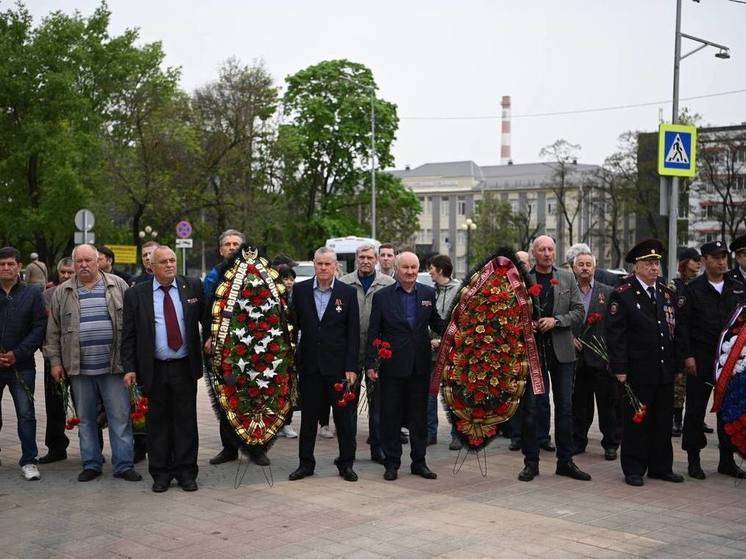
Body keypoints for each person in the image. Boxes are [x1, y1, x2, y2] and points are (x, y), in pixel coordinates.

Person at [45, 244, 141, 483]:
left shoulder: (117, 285)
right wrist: (55, 363)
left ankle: (124, 465)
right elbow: (53, 331)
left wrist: (132, 364)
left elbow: (132, 327)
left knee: (120, 417)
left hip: (114, 367)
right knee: (86, 419)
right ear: (74, 264)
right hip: (79, 368)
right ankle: (91, 464)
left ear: (99, 261)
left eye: (89, 260)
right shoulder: (62, 292)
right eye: (79, 262)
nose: (84, 265)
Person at [122, 246, 204, 493]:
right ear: (152, 267)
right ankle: (161, 473)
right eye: (163, 262)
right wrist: (129, 368)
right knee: (157, 423)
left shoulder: (193, 286)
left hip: (184, 366)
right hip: (153, 368)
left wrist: (210, 338)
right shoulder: (137, 294)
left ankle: (186, 472)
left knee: (186, 421)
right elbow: (128, 335)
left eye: (172, 260)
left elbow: (208, 320)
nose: (169, 265)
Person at [606, 239, 684, 487]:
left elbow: (673, 330)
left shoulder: (665, 292)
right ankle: (634, 467)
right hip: (637, 370)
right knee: (636, 421)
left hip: (663, 368)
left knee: (662, 420)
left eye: (656, 263)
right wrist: (620, 368)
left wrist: (677, 365)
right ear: (637, 266)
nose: (654, 268)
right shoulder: (623, 293)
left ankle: (661, 466)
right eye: (649, 263)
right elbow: (615, 336)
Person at [517, 236, 589, 482]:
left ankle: (566, 461)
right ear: (534, 253)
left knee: (565, 408)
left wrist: (556, 321)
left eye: (550, 249)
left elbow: (579, 311)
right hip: (535, 351)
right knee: (533, 409)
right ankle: (531, 462)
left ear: (555, 253)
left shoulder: (567, 277)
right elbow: (513, 313)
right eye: (542, 250)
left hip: (563, 352)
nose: (547, 253)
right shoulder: (524, 280)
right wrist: (530, 324)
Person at [366, 251, 443, 481]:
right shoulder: (382, 296)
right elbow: (373, 331)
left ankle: (419, 462)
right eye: (406, 268)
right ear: (397, 270)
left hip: (419, 367)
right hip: (391, 368)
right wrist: (371, 362)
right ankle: (392, 463)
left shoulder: (428, 293)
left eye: (414, 268)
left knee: (419, 418)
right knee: (391, 417)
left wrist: (456, 327)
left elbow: (436, 322)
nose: (410, 272)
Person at [288, 247, 360, 482]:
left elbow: (353, 334)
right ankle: (305, 464)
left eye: (328, 264)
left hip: (338, 368)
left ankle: (346, 464)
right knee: (308, 418)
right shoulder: (299, 290)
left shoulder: (346, 293)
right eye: (319, 264)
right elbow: (293, 327)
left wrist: (351, 367)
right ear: (314, 264)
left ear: (336, 265)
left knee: (344, 420)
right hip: (309, 367)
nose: (323, 268)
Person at [677, 241, 746, 480]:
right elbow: (682, 326)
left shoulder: (737, 288)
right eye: (716, 257)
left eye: (724, 256)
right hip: (701, 358)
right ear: (705, 260)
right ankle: (693, 459)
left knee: (728, 409)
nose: (722, 261)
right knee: (696, 410)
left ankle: (727, 460)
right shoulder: (692, 289)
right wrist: (687, 356)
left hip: (730, 361)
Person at [204, 229, 270, 466]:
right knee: (227, 396)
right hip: (225, 347)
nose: (232, 248)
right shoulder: (214, 276)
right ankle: (229, 448)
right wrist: (210, 336)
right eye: (227, 244)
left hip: (255, 347)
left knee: (256, 397)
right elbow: (207, 310)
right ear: (221, 250)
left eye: (236, 244)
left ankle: (257, 448)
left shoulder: (257, 273)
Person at [340, 244, 395, 463]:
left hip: (377, 352)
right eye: (361, 257)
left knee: (378, 404)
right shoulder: (344, 283)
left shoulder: (388, 284)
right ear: (356, 259)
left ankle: (377, 447)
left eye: (370, 257)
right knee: (348, 402)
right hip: (351, 351)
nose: (365, 261)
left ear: (376, 260)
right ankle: (348, 449)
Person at [0, 246, 46, 480]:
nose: (6, 268)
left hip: (23, 365)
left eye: (10, 264)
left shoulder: (33, 292)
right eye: (2, 264)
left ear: (19, 266)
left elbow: (39, 327)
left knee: (26, 414)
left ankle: (29, 460)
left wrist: (18, 353)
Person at [570, 251, 617, 460]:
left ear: (595, 268)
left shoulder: (607, 292)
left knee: (607, 404)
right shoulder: (567, 292)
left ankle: (611, 444)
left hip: (600, 358)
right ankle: (579, 441)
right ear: (574, 268)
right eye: (580, 264)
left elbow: (614, 326)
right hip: (576, 359)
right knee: (580, 404)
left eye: (589, 264)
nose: (585, 268)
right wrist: (570, 337)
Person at [39, 257, 76, 464]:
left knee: (85, 405)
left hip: (78, 358)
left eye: (70, 272)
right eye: (63, 272)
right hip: (53, 358)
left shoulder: (81, 292)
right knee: (54, 405)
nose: (66, 276)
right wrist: (49, 355)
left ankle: (93, 446)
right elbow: (44, 327)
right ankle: (56, 447)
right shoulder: (47, 295)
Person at [427, 254, 461, 449]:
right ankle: (430, 433)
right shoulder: (429, 292)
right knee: (429, 394)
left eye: (431, 268)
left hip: (452, 352)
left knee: (453, 394)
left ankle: (457, 434)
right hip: (430, 352)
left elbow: (462, 321)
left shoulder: (459, 291)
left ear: (440, 269)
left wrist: (444, 340)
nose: (429, 271)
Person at [670, 247, 701, 437]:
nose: (698, 263)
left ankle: (696, 419)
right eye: (694, 259)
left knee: (697, 386)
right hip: (678, 342)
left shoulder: (700, 284)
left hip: (696, 341)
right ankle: (676, 419)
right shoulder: (675, 286)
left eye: (699, 260)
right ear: (684, 262)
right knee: (678, 385)